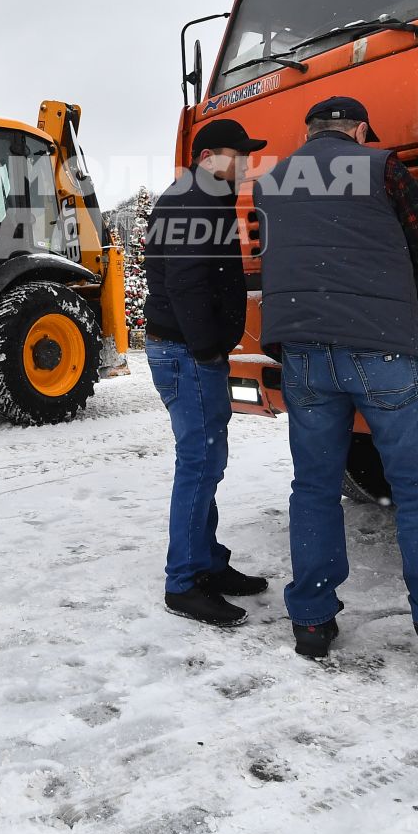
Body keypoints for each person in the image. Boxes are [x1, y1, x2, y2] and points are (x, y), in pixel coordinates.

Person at [252, 96, 418, 689]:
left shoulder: (272, 181)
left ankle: (311, 622)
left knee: (313, 488)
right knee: (417, 492)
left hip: (305, 353)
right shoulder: (383, 166)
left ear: (308, 132)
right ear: (359, 130)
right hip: (383, 349)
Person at [142, 117, 268, 626]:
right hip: (187, 354)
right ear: (214, 155)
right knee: (199, 463)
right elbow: (188, 283)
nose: (247, 164)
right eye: (241, 155)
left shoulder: (195, 196)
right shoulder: (194, 201)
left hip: (185, 351)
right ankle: (185, 581)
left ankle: (207, 562)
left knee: (207, 460)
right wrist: (209, 349)